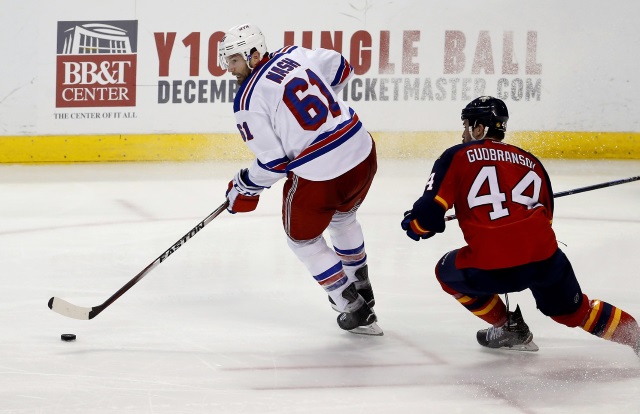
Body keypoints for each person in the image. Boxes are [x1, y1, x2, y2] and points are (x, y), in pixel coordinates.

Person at [401, 95, 640, 356]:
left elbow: (427, 218)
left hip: (492, 265)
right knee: (575, 312)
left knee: (445, 272)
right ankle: (636, 337)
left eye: (466, 125)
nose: (462, 133)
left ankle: (508, 326)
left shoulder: (456, 156)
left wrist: (413, 224)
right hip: (545, 259)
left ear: (479, 128)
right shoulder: (531, 160)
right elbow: (546, 217)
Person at [218, 23, 381, 335]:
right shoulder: (296, 54)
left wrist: (244, 187)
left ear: (254, 56)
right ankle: (362, 285)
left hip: (322, 174)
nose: (229, 69)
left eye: (234, 60)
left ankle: (351, 305)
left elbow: (274, 164)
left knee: (303, 241)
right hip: (362, 151)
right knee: (344, 217)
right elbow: (342, 68)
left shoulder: (247, 101)